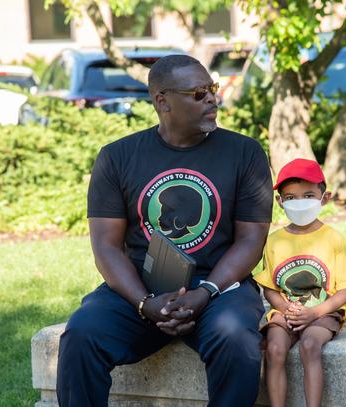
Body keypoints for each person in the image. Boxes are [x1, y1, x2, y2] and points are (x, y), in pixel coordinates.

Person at [56, 54, 273, 406]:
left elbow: (251, 240)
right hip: (143, 290)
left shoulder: (244, 153)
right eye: (198, 93)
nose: (211, 99)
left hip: (220, 288)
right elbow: (107, 247)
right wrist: (144, 303)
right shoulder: (117, 157)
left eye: (212, 89)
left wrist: (204, 293)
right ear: (162, 101)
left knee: (235, 338)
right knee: (82, 334)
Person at [253, 158, 346, 407]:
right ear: (280, 202)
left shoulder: (334, 239)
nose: (299, 203)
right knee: (274, 349)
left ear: (324, 198)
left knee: (310, 345)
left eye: (308, 195)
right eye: (291, 197)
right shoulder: (275, 241)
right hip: (286, 311)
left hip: (324, 311)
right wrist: (286, 310)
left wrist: (314, 313)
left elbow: (345, 292)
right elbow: (270, 288)